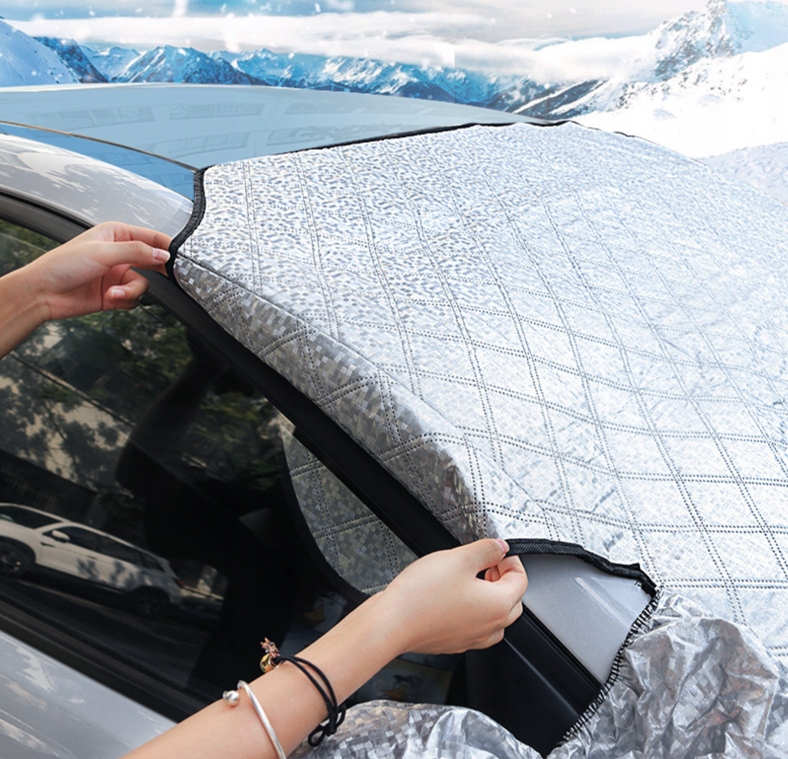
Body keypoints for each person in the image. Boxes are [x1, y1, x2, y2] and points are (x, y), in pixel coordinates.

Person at [0, 221, 529, 758]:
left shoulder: (485, 590)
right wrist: (392, 624)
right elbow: (143, 475)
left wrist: (29, 295)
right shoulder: (275, 534)